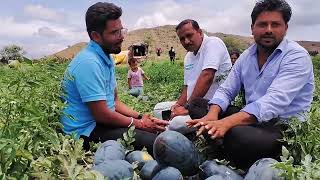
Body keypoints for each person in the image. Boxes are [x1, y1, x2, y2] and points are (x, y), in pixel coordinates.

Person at [187, 0, 314, 170]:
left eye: (275, 24)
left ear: (285, 28)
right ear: (252, 28)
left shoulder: (296, 56)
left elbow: (273, 102)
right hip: (251, 121)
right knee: (197, 105)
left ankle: (226, 144)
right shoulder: (246, 57)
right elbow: (226, 89)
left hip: (281, 128)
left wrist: (226, 123)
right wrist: (213, 114)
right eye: (262, 24)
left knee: (239, 135)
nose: (269, 29)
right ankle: (225, 141)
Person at [60, 2, 168, 154]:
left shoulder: (107, 57)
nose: (122, 37)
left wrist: (141, 117)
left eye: (121, 30)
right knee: (157, 144)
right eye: (114, 33)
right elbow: (102, 114)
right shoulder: (89, 63)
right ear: (96, 36)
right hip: (85, 132)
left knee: (156, 134)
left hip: (101, 122)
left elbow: (115, 102)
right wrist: (140, 124)